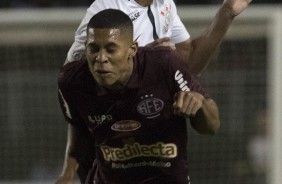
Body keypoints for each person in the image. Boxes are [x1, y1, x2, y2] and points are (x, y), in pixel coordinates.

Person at [55, 9, 220, 184]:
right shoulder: (72, 81)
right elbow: (79, 127)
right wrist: (68, 173)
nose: (101, 58)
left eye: (111, 49)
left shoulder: (164, 65)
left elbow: (212, 127)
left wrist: (200, 105)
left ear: (132, 49)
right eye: (93, 49)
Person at [66, 0, 252, 76]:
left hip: (151, 128)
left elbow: (190, 64)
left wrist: (227, 13)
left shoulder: (165, 3)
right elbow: (71, 76)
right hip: (111, 133)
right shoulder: (107, 9)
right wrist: (149, 60)